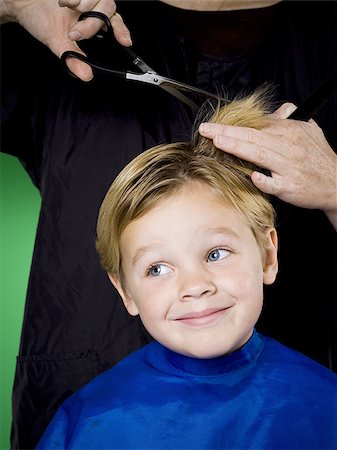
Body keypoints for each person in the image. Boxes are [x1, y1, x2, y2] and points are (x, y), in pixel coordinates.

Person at [1, 0, 336, 447]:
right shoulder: (71, 30)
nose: (194, 286)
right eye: (156, 267)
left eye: (216, 254)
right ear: (122, 289)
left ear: (269, 254)